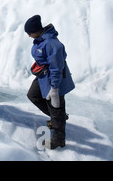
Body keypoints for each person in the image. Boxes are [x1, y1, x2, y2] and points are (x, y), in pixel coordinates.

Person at [24, 15, 75, 149]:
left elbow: (56, 67)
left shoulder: (52, 44)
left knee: (55, 105)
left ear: (36, 30)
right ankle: (59, 117)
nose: (29, 36)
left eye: (30, 33)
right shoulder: (41, 40)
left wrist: (55, 88)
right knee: (33, 95)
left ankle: (58, 140)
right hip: (43, 76)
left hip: (54, 79)